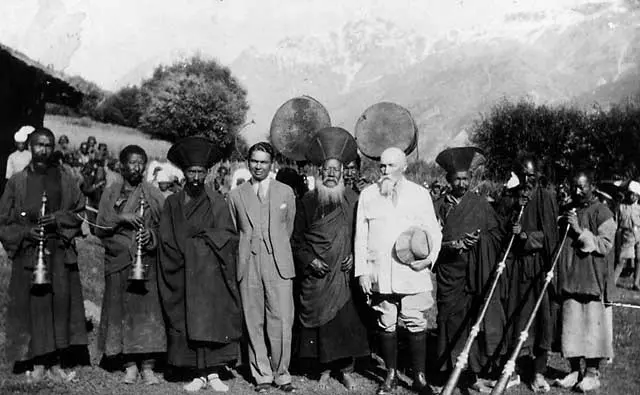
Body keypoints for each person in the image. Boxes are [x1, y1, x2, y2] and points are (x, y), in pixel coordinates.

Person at [0, 127, 87, 382]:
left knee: (59, 305)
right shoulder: (17, 181)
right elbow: (3, 221)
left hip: (58, 251)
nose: (44, 150)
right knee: (34, 307)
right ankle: (37, 362)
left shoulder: (66, 179)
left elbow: (80, 211)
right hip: (29, 253)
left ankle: (55, 363)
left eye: (48, 145)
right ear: (30, 147)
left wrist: (59, 219)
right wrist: (25, 233)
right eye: (39, 145)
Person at [354, 147, 442, 395]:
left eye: (391, 166)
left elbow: (434, 231)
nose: (385, 171)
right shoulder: (369, 195)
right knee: (386, 321)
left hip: (411, 271)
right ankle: (390, 375)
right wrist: (362, 271)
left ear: (404, 167)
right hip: (379, 271)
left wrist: (428, 260)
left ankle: (420, 378)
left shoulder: (420, 194)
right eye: (382, 166)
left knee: (415, 320)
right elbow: (361, 236)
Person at [158, 136, 242, 392]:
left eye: (200, 172)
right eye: (191, 172)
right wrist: (185, 253)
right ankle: (197, 372)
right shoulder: (172, 202)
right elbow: (165, 237)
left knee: (210, 321)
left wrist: (200, 248)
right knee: (185, 321)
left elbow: (228, 236)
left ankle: (214, 372)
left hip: (209, 275)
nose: (195, 177)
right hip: (182, 271)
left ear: (207, 173)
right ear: (183, 173)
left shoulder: (217, 201)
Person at [292, 127, 370, 390]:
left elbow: (364, 236)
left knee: (347, 321)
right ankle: (323, 369)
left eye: (336, 170)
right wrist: (310, 260)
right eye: (327, 169)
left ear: (342, 173)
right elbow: (297, 240)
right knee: (321, 327)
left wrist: (355, 258)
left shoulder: (355, 200)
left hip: (344, 274)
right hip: (318, 275)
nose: (331, 174)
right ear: (320, 171)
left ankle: (346, 369)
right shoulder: (307, 201)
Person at [433, 147, 506, 392]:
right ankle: (447, 374)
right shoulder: (438, 205)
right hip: (449, 272)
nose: (462, 184)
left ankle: (471, 376)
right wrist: (453, 245)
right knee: (448, 321)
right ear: (448, 180)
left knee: (472, 322)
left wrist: (480, 241)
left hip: (475, 273)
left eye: (466, 179)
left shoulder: (480, 205)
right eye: (457, 179)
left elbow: (496, 235)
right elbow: (428, 241)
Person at [227, 142, 297, 393]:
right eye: (254, 161)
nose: (258, 166)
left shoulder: (286, 192)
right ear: (248, 162)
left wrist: (273, 245)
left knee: (281, 320)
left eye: (263, 162)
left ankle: (282, 374)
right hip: (249, 263)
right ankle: (262, 375)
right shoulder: (236, 195)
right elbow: (236, 229)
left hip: (278, 263)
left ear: (272, 164)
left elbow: (288, 227)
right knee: (254, 319)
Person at [95, 145, 167, 385]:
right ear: (122, 165)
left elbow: (164, 227)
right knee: (121, 311)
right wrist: (120, 217)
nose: (137, 168)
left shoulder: (153, 193)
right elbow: (99, 228)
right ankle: (129, 364)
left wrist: (151, 236)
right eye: (132, 163)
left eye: (141, 163)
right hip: (118, 261)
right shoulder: (111, 191)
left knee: (147, 313)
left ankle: (148, 366)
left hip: (145, 262)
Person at [553, 170, 615, 392]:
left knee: (591, 329)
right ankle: (573, 370)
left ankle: (591, 373)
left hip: (592, 280)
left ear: (592, 185)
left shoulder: (603, 212)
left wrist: (580, 231)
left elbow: (605, 245)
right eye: (574, 187)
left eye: (582, 187)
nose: (577, 191)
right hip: (570, 278)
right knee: (571, 327)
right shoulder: (570, 210)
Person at [501, 157, 559, 393]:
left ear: (537, 177)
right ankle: (513, 369)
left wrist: (525, 236)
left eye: (531, 176)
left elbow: (549, 237)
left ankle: (538, 371)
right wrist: (512, 212)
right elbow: (501, 227)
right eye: (523, 175)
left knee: (542, 319)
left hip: (539, 269)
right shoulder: (513, 197)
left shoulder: (545, 197)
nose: (527, 180)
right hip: (517, 270)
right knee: (516, 317)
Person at [613, 181, 640, 289]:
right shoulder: (622, 207)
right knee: (621, 259)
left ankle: (636, 283)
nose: (632, 196)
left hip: (639, 232)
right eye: (630, 193)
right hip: (627, 234)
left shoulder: (639, 208)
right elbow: (616, 222)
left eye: (634, 194)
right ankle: (612, 282)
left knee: (639, 258)